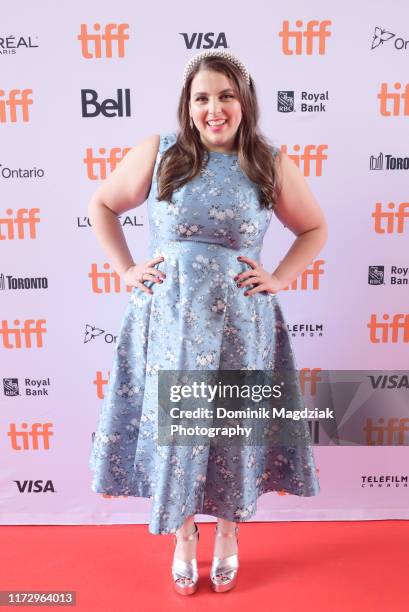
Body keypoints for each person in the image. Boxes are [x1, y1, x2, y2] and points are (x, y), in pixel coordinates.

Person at [88, 49, 327, 595]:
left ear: (244, 101)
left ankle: (227, 533)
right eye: (202, 98)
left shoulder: (268, 160)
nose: (213, 108)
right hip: (168, 320)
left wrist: (281, 277)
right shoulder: (159, 152)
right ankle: (184, 535)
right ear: (187, 105)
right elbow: (102, 203)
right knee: (179, 431)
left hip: (241, 322)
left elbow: (313, 228)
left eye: (225, 95)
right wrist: (126, 269)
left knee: (229, 429)